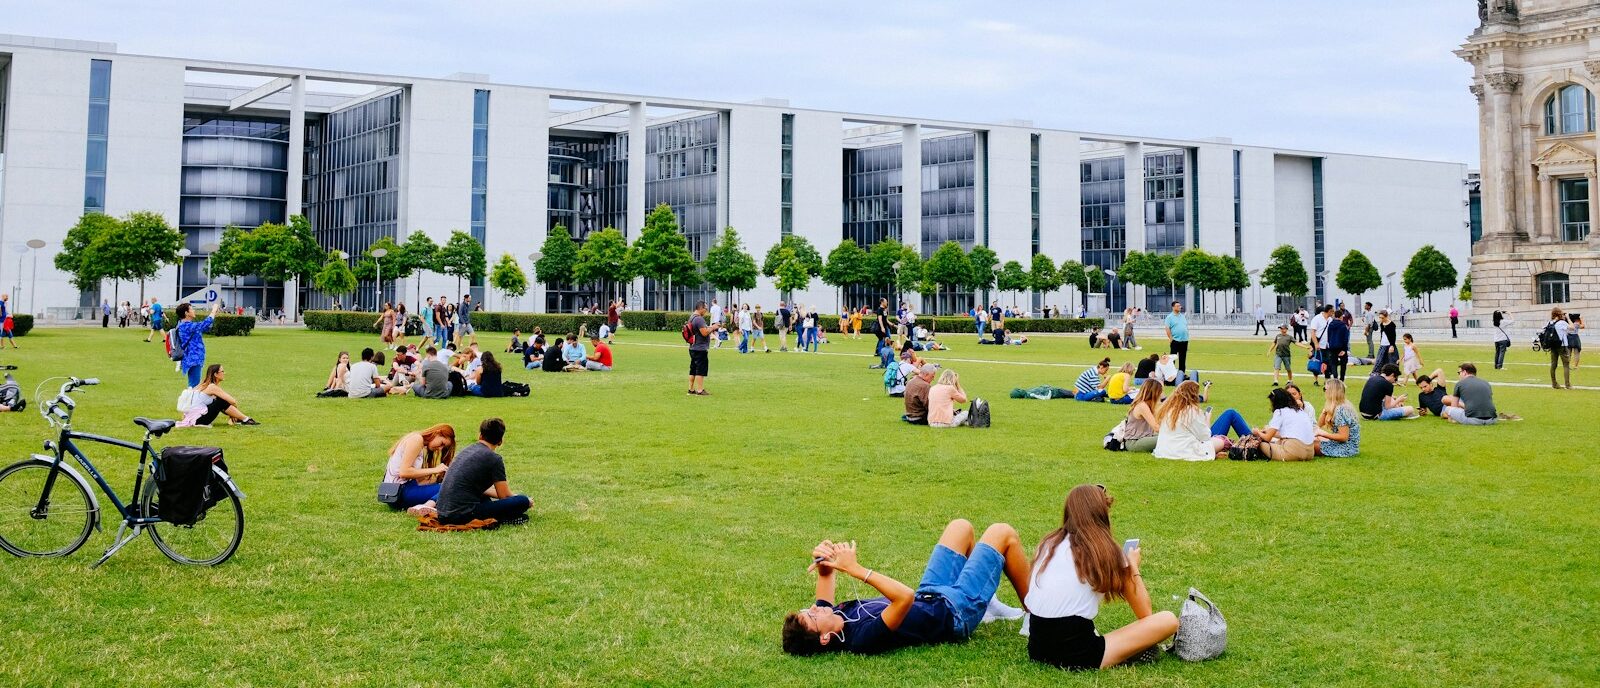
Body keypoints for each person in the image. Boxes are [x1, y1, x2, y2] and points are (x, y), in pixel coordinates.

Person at [781, 519, 1031, 656]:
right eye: (812, 616)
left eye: (808, 608)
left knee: (960, 527)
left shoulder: (834, 615)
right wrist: (856, 570)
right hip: (954, 612)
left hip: (931, 593)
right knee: (1002, 532)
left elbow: (824, 578)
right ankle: (1037, 615)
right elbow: (904, 597)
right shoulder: (861, 639)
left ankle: (988, 605)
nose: (815, 607)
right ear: (825, 638)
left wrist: (823, 559)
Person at [1026, 484, 1179, 671]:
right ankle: (1125, 653)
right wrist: (1132, 567)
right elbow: (1145, 613)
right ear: (1102, 515)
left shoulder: (1048, 543)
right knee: (1168, 619)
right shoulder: (1105, 551)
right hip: (1079, 654)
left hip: (1036, 648)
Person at [434, 418, 530, 526]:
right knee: (522, 501)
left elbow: (478, 489)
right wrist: (523, 500)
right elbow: (504, 496)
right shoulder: (494, 459)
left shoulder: (466, 451)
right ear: (500, 441)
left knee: (485, 499)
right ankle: (504, 518)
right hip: (461, 515)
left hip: (442, 513)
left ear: (480, 435)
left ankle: (503, 517)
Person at [381, 424, 457, 512]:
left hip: (398, 492)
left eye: (443, 447)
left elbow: (417, 481)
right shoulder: (416, 439)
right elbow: (404, 472)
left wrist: (439, 478)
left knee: (447, 486)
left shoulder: (417, 440)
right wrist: (435, 469)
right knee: (450, 488)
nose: (440, 449)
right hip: (400, 493)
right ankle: (425, 507)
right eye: (442, 444)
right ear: (437, 433)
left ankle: (427, 505)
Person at [1152, 380, 1233, 461]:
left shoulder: (1168, 409)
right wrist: (1207, 419)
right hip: (1185, 451)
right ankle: (1235, 447)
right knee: (1223, 440)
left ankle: (1217, 452)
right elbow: (1205, 437)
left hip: (1164, 451)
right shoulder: (1191, 411)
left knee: (1217, 440)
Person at [182, 364, 258, 426]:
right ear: (215, 374)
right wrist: (232, 415)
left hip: (192, 418)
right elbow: (233, 402)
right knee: (220, 401)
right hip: (198, 420)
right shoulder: (212, 387)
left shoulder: (203, 384)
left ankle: (242, 419)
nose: (224, 373)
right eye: (222, 371)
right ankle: (246, 419)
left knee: (219, 401)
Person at [1250, 388, 1315, 461]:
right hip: (1310, 453)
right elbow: (1290, 434)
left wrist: (1257, 432)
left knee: (1260, 444)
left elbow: (1267, 438)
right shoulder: (1300, 410)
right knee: (1279, 441)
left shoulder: (1280, 411)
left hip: (1294, 453)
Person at [172, 300, 221, 388]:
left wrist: (214, 315)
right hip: (193, 358)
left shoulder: (185, 325)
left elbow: (206, 327)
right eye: (191, 309)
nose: (194, 311)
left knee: (195, 384)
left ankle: (191, 400)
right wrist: (213, 311)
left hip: (194, 358)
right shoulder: (186, 326)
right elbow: (204, 324)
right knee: (194, 386)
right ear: (186, 313)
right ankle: (190, 400)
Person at [1314, 379, 1361, 457]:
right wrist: (1324, 411)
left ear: (1332, 391)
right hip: (1346, 446)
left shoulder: (1340, 410)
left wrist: (1324, 434)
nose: (1324, 392)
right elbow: (1319, 425)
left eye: (1324, 389)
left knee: (1309, 445)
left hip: (1346, 449)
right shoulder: (1339, 405)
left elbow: (1344, 437)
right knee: (1314, 439)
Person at [1120, 380, 1163, 453]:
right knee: (1167, 438)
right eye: (1160, 391)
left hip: (1144, 437)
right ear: (1155, 392)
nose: (1161, 394)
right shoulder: (1142, 406)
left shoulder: (1149, 405)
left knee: (1169, 437)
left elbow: (1159, 422)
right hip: (1133, 442)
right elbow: (1156, 427)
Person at [687, 301, 720, 395]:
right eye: (705, 308)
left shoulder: (692, 317)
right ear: (700, 308)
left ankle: (691, 389)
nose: (706, 310)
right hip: (700, 348)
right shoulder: (699, 319)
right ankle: (700, 390)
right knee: (700, 370)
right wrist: (713, 327)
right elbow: (704, 332)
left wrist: (710, 329)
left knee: (693, 369)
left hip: (693, 347)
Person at [1546, 307, 1572, 389]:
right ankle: (1567, 384)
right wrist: (1567, 318)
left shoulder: (1550, 322)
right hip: (1562, 345)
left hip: (1553, 345)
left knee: (1553, 364)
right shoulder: (1562, 322)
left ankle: (1554, 383)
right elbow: (1572, 327)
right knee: (1566, 364)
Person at [1324, 307, 1350, 381]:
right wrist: (1344, 349)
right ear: (1341, 316)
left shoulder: (1330, 325)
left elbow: (1328, 336)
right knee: (1343, 364)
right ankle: (1342, 379)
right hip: (1341, 347)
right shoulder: (1343, 325)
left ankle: (1335, 377)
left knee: (1333, 363)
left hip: (1332, 347)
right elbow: (1345, 339)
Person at [1163, 301, 1190, 373]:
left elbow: (1184, 326)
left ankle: (1182, 373)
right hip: (1175, 340)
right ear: (1173, 307)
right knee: (1172, 358)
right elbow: (1167, 328)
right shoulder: (1169, 317)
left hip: (1184, 340)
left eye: (1180, 306)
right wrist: (1171, 338)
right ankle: (1171, 374)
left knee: (1182, 358)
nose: (1179, 307)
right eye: (1177, 306)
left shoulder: (1182, 316)